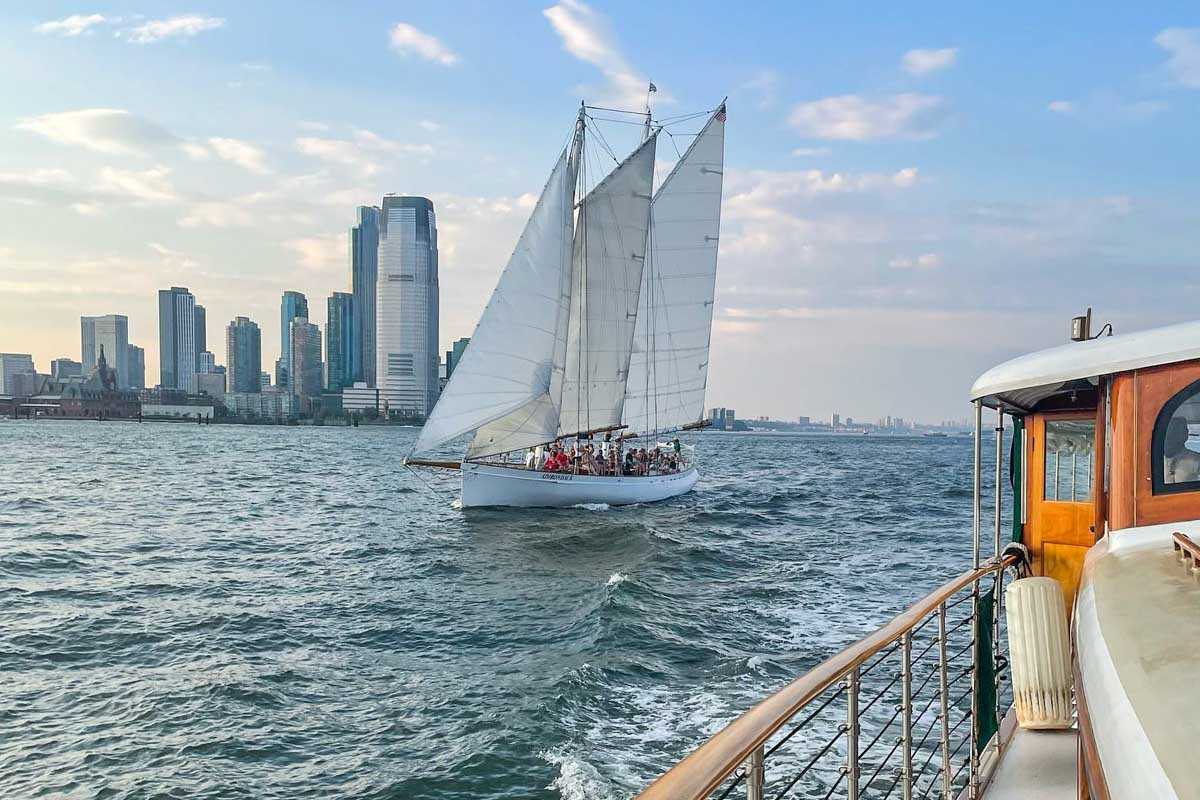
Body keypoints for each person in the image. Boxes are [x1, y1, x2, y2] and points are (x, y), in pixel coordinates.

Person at [1164, 416, 1200, 484]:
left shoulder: (1197, 460)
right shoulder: (1155, 462)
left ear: (1185, 435)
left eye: (1175, 432)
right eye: (1168, 432)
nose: (1170, 437)